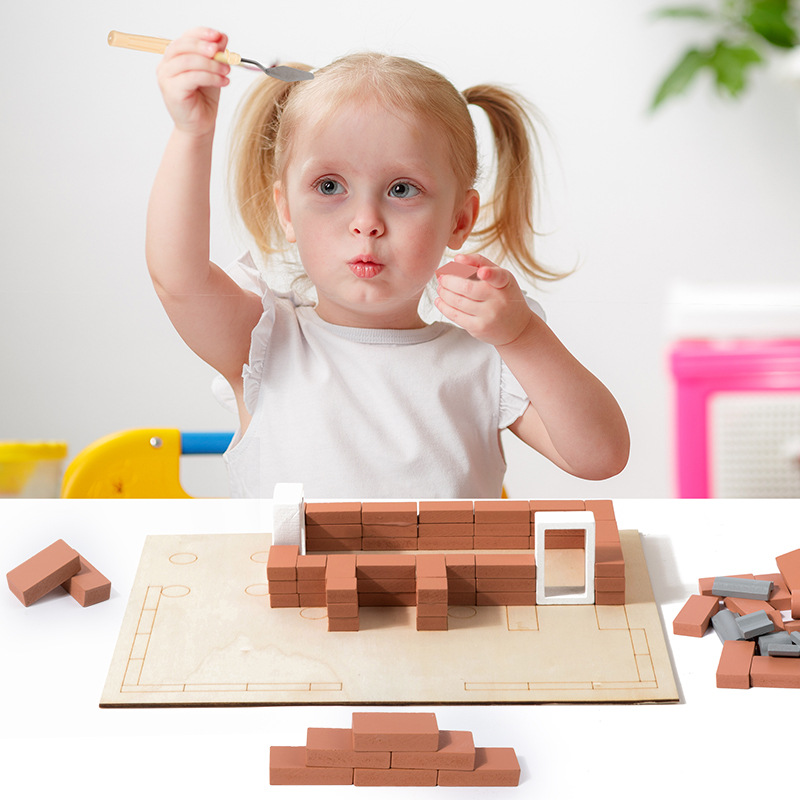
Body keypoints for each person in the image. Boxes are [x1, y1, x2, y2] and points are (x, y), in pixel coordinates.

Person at [146, 27, 629, 498]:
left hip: (446, 584)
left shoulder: (485, 360)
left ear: (460, 219)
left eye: (402, 189)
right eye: (330, 186)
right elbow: (178, 279)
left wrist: (524, 336)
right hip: (292, 584)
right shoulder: (264, 343)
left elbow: (601, 457)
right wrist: (192, 133)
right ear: (287, 212)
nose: (366, 222)